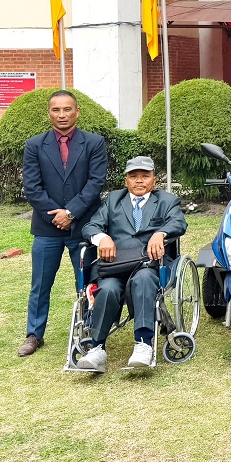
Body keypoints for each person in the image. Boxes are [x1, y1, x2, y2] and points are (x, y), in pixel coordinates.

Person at [74, 157, 186, 371]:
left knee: (143, 280)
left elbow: (178, 222)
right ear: (126, 180)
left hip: (148, 265)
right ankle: (97, 348)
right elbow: (91, 226)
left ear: (154, 180)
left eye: (145, 176)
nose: (139, 181)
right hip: (116, 266)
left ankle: (143, 343)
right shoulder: (113, 200)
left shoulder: (167, 201)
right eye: (133, 176)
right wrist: (102, 238)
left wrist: (161, 233)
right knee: (107, 288)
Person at [19, 89, 108, 357]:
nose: (62, 115)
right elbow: (32, 187)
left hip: (83, 227)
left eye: (67, 109)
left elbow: (96, 182)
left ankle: (89, 330)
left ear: (77, 112)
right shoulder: (35, 145)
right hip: (47, 228)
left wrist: (71, 213)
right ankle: (34, 334)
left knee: (87, 283)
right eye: (56, 110)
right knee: (40, 284)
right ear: (48, 113)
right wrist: (57, 215)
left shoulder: (94, 143)